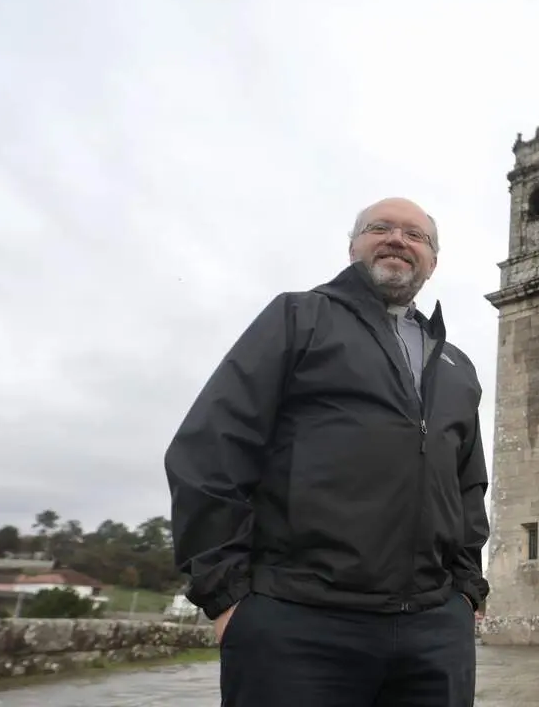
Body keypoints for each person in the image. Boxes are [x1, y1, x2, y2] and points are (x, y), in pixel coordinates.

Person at [165, 197, 489, 707]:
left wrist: (467, 589)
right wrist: (226, 595)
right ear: (353, 245)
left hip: (433, 631)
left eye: (415, 235)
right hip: (298, 619)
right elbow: (213, 447)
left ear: (433, 260)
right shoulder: (299, 316)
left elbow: (469, 482)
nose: (398, 240)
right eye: (380, 228)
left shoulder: (455, 362)